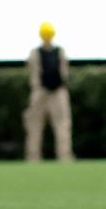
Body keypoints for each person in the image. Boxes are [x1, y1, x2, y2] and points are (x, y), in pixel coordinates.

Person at [23, 22, 74, 162]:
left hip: (57, 92)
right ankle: (33, 157)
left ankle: (64, 156)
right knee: (35, 126)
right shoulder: (36, 52)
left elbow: (63, 72)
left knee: (62, 126)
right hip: (40, 92)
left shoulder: (59, 51)